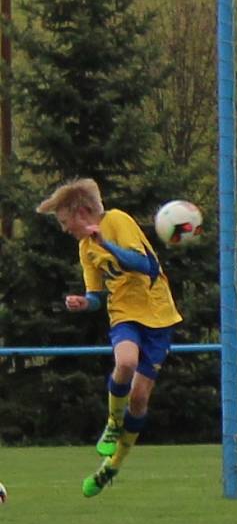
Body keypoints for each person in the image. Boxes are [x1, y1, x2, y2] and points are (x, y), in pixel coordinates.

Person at [36, 178, 182, 497]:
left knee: (140, 399)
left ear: (84, 212)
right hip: (124, 315)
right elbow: (97, 296)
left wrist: (107, 244)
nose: (64, 229)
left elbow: (144, 264)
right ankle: (114, 423)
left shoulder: (116, 221)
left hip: (159, 316)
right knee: (126, 362)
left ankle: (111, 467)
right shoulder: (85, 247)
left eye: (65, 221)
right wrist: (83, 303)